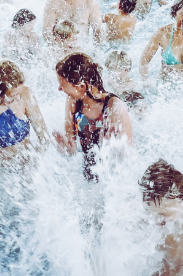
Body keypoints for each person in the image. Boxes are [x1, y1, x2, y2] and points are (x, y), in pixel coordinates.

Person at [53, 52, 133, 180]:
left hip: (112, 180)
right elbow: (72, 148)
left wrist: (112, 145)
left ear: (81, 86)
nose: (59, 89)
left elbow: (128, 158)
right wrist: (67, 149)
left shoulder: (114, 107)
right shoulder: (73, 101)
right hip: (88, 175)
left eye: (63, 85)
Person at [0, 61, 50, 172]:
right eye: (13, 95)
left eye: (18, 94)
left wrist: (35, 159)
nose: (17, 99)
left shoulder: (25, 94)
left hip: (27, 165)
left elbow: (44, 137)